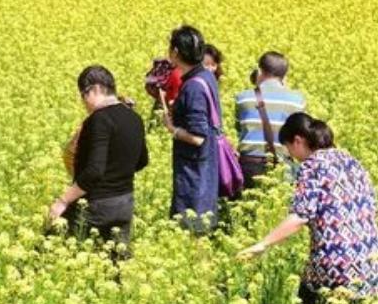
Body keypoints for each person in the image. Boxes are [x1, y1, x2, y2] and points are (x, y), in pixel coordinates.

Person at [238, 113, 378, 304]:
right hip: (368, 258)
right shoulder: (351, 160)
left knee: (305, 303)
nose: (292, 157)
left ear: (298, 141)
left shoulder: (312, 165)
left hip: (335, 260)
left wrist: (263, 244)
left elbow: (300, 216)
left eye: (289, 149)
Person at [50, 65, 148, 260]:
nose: (83, 102)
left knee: (53, 249)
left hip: (96, 205)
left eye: (83, 95)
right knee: (116, 264)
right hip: (125, 203)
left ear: (95, 89)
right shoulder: (134, 118)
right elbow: (142, 161)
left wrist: (62, 201)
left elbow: (95, 170)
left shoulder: (98, 120)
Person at [162, 25, 221, 232]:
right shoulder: (207, 77)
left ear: (175, 53)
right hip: (205, 167)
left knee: (193, 229)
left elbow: (198, 137)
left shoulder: (193, 86)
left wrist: (172, 128)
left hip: (195, 172)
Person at [235, 51, 306, 188]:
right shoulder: (297, 100)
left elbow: (239, 130)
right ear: (284, 75)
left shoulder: (243, 98)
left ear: (259, 71)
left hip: (250, 164)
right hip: (282, 164)